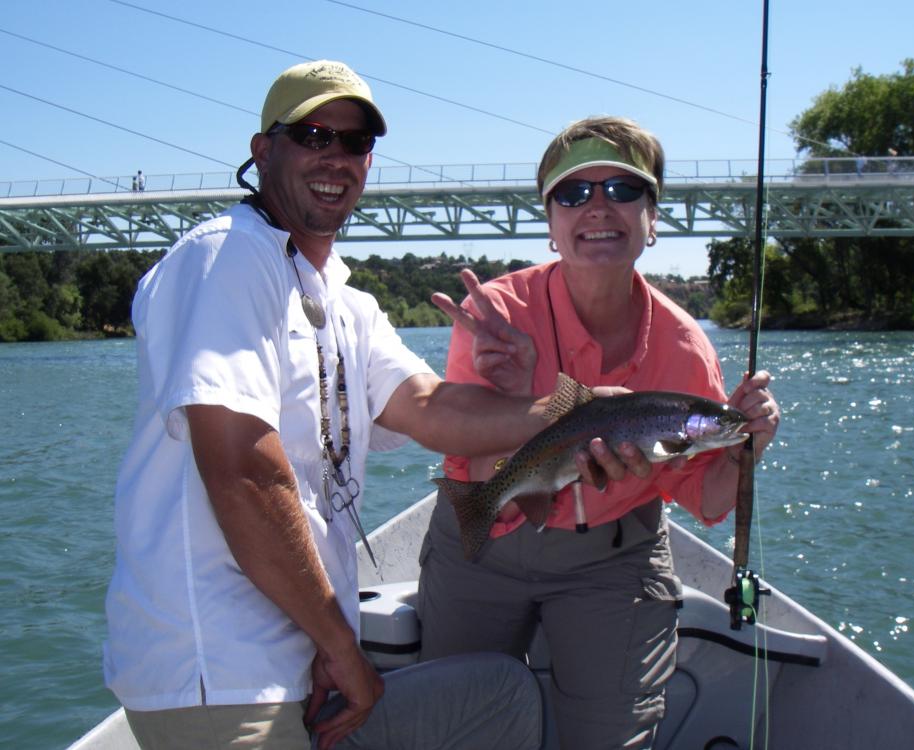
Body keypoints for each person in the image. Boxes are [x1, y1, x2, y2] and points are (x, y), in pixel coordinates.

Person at [103, 60, 635, 750]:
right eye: (314, 136)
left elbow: (426, 403)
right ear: (263, 151)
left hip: (306, 669)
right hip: (223, 676)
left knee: (500, 697)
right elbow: (242, 470)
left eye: (354, 143)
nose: (336, 158)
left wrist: (570, 414)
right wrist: (343, 647)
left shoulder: (343, 301)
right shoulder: (226, 259)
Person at [418, 116, 781, 750]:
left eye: (623, 189)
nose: (598, 208)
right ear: (551, 223)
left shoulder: (686, 349)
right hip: (488, 538)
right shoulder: (494, 316)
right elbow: (477, 476)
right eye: (572, 194)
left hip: (615, 560)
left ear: (652, 217)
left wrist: (747, 445)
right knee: (455, 724)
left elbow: (713, 500)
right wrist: (515, 397)